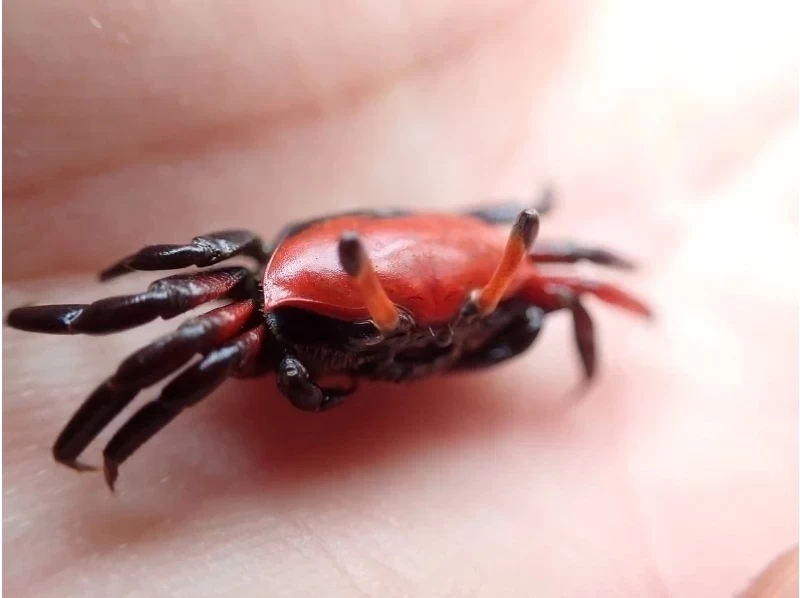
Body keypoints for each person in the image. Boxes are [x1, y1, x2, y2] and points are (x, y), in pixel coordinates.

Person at [3, 1, 796, 595]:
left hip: (452, 264)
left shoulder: (513, 264)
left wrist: (606, 301)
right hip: (311, 302)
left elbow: (570, 274)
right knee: (189, 344)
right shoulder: (251, 305)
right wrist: (74, 314)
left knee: (554, 280)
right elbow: (159, 330)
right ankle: (100, 447)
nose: (429, 337)